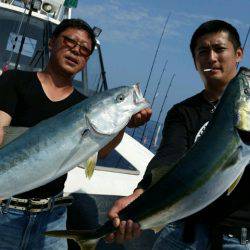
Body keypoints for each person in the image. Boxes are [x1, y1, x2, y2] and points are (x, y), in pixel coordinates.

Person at [0, 18, 152, 249]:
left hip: (53, 217)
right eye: (70, 42)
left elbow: (101, 152)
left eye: (84, 50)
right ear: (52, 43)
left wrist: (124, 122)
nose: (76, 51)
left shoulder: (83, 104)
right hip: (6, 211)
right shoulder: (15, 80)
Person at [107, 19, 250, 249]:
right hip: (183, 229)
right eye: (203, 52)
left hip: (238, 236)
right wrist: (140, 193)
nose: (211, 58)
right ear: (195, 62)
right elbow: (168, 156)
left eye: (220, 49)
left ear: (238, 54)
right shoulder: (183, 112)